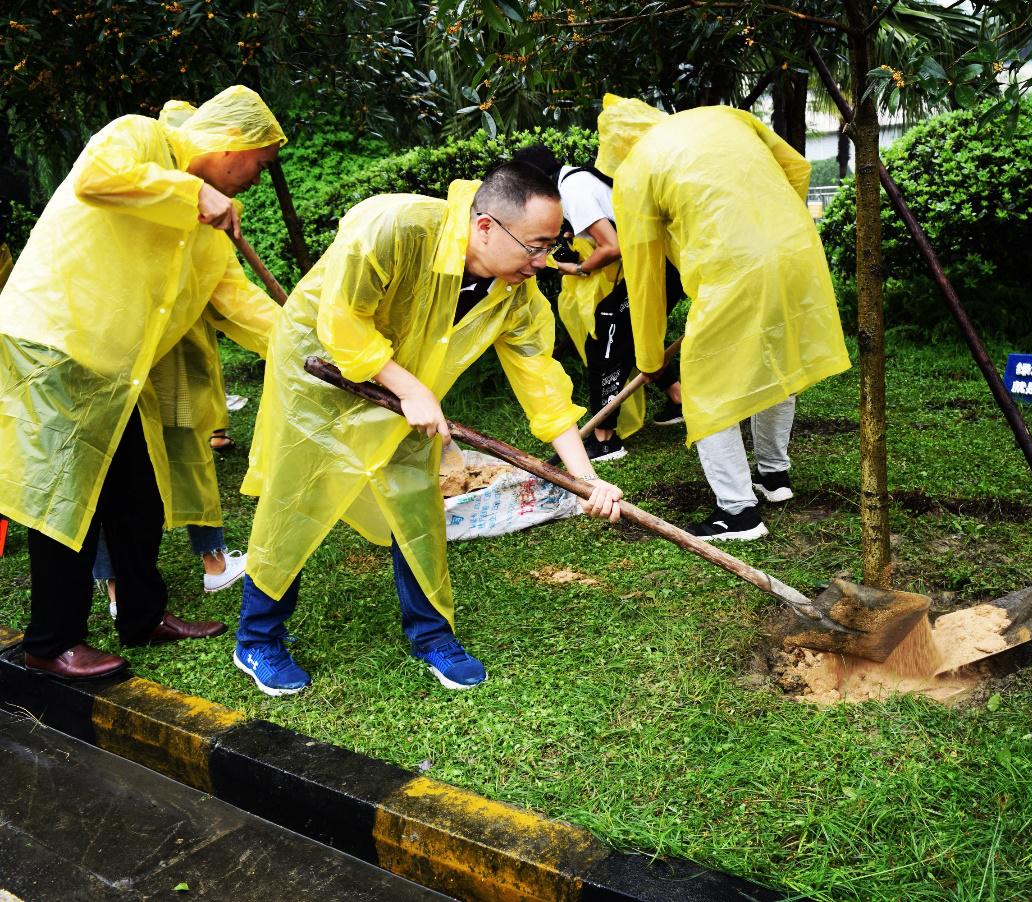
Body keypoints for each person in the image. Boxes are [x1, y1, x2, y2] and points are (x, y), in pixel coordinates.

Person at [234, 162, 623, 697]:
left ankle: (432, 636)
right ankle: (257, 639)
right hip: (319, 376)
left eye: (550, 247)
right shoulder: (396, 227)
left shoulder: (516, 296)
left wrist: (585, 480)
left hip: (408, 395)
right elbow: (342, 320)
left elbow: (544, 387)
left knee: (416, 503)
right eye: (534, 246)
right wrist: (410, 388)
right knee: (299, 499)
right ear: (486, 226)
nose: (542, 262)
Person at [0, 86, 285, 679]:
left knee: (138, 493)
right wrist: (192, 191)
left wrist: (311, 348)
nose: (256, 180)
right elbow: (96, 178)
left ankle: (142, 615)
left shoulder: (209, 229)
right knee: (67, 500)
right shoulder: (139, 137)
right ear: (233, 144)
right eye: (259, 164)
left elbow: (238, 302)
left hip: (114, 372)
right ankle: (50, 644)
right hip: (55, 346)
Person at [597, 95, 850, 541]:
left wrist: (650, 356)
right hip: (797, 249)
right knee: (776, 362)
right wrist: (772, 226)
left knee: (703, 387)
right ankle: (774, 478)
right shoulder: (723, 116)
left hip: (734, 269)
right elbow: (797, 170)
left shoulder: (637, 170)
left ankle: (737, 514)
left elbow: (645, 277)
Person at [511, 145, 684, 462]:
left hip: (660, 267)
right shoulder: (574, 183)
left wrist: (577, 269)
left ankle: (605, 439)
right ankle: (678, 396)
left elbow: (612, 246)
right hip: (655, 264)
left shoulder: (573, 189)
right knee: (628, 334)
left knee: (608, 327)